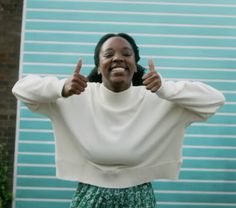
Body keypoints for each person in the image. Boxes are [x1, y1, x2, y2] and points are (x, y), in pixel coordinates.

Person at [12, 33, 225, 208]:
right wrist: (60, 88)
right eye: (108, 54)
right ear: (98, 66)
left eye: (126, 53)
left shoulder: (158, 98)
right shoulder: (75, 95)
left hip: (139, 196)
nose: (118, 58)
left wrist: (166, 88)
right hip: (89, 194)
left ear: (135, 65)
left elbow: (215, 99)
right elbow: (20, 89)